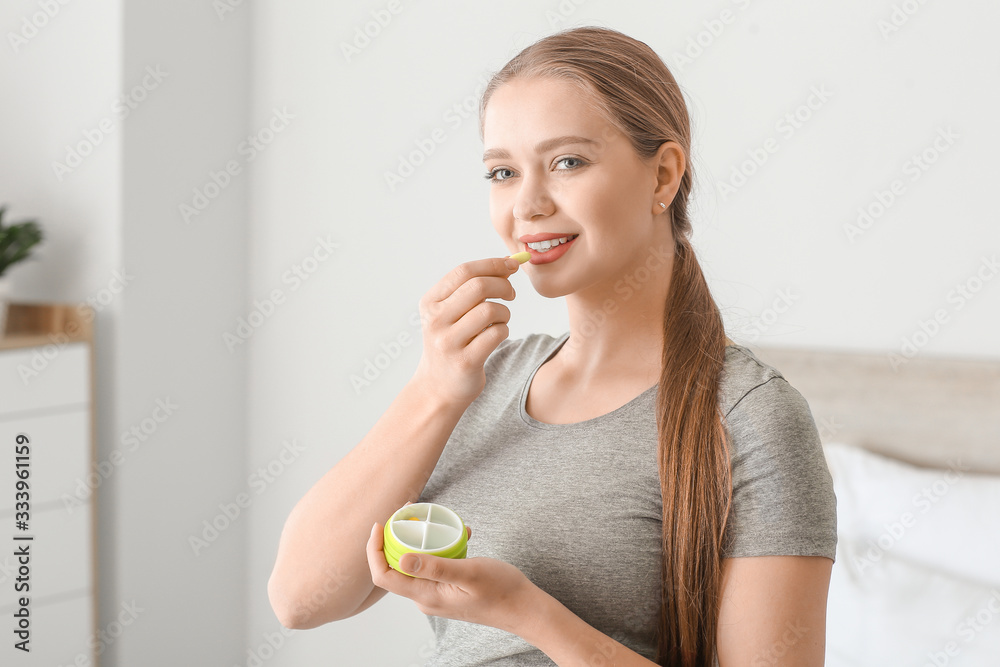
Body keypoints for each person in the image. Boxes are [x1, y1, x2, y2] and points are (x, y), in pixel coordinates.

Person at [267, 25, 837, 667]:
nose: (528, 204)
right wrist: (434, 390)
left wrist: (526, 613)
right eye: (503, 172)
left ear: (664, 176)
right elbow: (299, 599)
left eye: (567, 162)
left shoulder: (752, 416)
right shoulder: (484, 377)